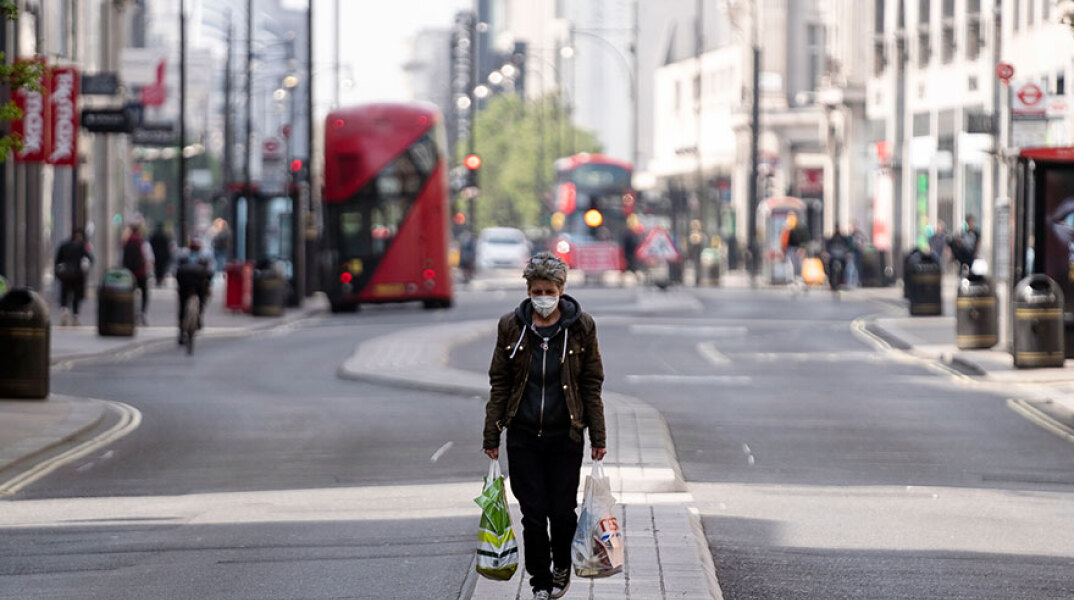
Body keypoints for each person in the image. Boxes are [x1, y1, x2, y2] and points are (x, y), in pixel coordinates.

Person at [483, 252, 607, 600]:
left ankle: (561, 566)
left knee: (561, 511)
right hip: (523, 436)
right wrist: (492, 433)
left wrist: (598, 435)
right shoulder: (512, 326)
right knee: (533, 513)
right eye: (536, 290)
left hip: (565, 436)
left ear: (561, 290)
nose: (543, 298)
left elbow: (591, 383)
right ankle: (539, 580)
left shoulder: (582, 327)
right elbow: (500, 383)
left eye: (549, 290)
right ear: (528, 291)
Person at [175, 238, 214, 344]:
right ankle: (199, 317)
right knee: (202, 297)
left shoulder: (183, 255)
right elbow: (210, 272)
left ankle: (181, 331)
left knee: (182, 305)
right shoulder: (204, 256)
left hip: (184, 281)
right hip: (198, 282)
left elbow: (177, 270)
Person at [54, 228, 93, 326]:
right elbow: (89, 259)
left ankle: (64, 310)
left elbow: (58, 261)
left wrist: (58, 274)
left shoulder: (64, 245)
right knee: (76, 296)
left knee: (65, 294)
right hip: (78, 275)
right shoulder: (82, 247)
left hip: (66, 274)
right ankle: (75, 316)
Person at [122, 224, 152, 324]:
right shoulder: (142, 242)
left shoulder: (127, 242)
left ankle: (128, 312)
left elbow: (122, 258)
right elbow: (149, 258)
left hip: (129, 273)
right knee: (144, 293)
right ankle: (142, 312)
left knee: (129, 292)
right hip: (141, 272)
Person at [824, 225, 853, 289]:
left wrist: (847, 253)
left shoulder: (842, 239)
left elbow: (847, 247)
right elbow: (827, 247)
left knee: (844, 268)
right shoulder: (832, 238)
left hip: (840, 256)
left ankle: (842, 281)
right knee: (830, 268)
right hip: (834, 256)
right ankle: (834, 283)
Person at [149, 222, 172, 287]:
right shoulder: (165, 236)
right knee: (162, 268)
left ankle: (158, 280)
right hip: (163, 256)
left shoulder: (154, 236)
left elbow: (151, 245)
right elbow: (167, 246)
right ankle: (160, 279)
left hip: (156, 255)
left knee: (157, 268)